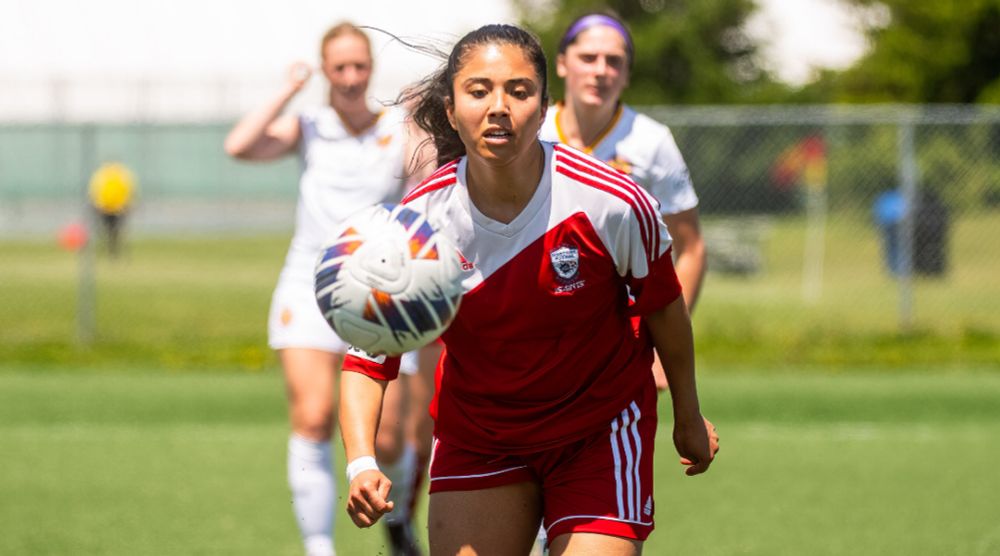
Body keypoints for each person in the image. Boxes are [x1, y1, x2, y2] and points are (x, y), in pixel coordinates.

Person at [338, 24, 713, 555]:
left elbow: (665, 311)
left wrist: (689, 415)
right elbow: (368, 359)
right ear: (450, 110)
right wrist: (361, 462)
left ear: (543, 108)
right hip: (481, 439)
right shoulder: (417, 225)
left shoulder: (613, 202)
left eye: (518, 91)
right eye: (478, 90)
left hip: (597, 433)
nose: (498, 107)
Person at [223, 22, 434, 556]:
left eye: (359, 66)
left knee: (389, 440)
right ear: (325, 71)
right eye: (339, 67)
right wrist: (288, 89)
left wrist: (423, 116)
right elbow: (239, 145)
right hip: (308, 286)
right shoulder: (309, 127)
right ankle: (319, 547)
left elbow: (433, 171)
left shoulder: (397, 126)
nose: (350, 77)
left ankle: (399, 521)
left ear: (370, 70)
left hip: (383, 292)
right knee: (314, 416)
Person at [538, 12, 708, 392]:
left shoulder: (653, 141)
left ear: (627, 74)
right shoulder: (533, 132)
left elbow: (692, 247)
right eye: (588, 58)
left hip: (624, 338)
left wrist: (668, 342)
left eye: (614, 61)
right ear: (563, 63)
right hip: (540, 327)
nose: (601, 71)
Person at [88, 161, 136, 258]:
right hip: (105, 207)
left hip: (117, 208)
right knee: (106, 230)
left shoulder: (120, 176)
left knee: (115, 231)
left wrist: (125, 204)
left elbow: (128, 191)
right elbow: (95, 190)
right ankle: (108, 250)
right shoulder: (103, 176)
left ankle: (113, 251)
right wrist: (98, 203)